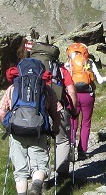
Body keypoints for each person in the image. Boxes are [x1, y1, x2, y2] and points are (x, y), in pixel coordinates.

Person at [0, 59, 62, 195]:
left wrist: (9, 126)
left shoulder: (13, 89)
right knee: (40, 166)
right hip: (38, 132)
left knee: (20, 171)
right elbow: (57, 113)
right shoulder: (47, 91)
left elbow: (0, 112)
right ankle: (36, 188)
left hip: (17, 133)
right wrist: (54, 129)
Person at [29, 41, 78, 180]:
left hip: (35, 110)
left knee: (39, 144)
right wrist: (73, 110)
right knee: (61, 141)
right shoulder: (60, 69)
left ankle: (39, 178)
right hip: (57, 108)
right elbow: (71, 90)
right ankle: (62, 175)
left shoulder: (28, 69)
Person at [66, 43, 106, 160]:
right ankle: (82, 150)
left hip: (72, 95)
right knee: (86, 123)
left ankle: (70, 147)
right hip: (87, 95)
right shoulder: (89, 62)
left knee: (73, 121)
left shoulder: (68, 64)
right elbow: (99, 80)